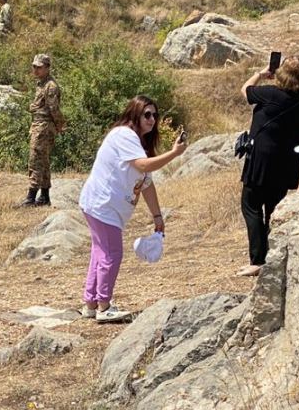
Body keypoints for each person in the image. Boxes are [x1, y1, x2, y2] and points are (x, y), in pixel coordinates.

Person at [78, 95, 186, 323]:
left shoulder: (136, 142)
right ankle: (104, 306)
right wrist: (174, 153)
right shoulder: (124, 135)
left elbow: (146, 182)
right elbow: (143, 166)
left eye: (155, 115)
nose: (152, 119)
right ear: (134, 113)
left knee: (100, 252)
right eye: (147, 114)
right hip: (102, 205)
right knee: (111, 254)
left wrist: (157, 216)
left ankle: (91, 303)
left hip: (102, 205)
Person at [239, 55, 299, 277]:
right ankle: (273, 256)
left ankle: (258, 259)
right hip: (287, 163)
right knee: (274, 210)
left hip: (261, 162)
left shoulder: (270, 93)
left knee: (251, 206)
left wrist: (261, 74)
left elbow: (245, 90)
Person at [20, 53, 66, 207]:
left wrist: (60, 125)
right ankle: (44, 196)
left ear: (47, 68)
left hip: (43, 127)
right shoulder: (41, 83)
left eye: (39, 67)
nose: (36, 70)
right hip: (39, 125)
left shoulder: (50, 86)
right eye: (34, 67)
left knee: (35, 160)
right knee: (43, 161)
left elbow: (54, 109)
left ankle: (31, 197)